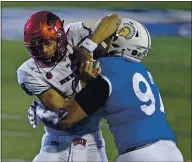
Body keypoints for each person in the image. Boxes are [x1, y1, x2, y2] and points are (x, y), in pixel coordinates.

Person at [29, 18, 184, 161]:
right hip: (172, 152)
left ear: (118, 42)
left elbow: (66, 119)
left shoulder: (105, 68)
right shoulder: (143, 71)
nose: (101, 41)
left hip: (139, 154)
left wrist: (40, 112)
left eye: (107, 38)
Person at [17, 10, 121, 162]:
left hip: (92, 140)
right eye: (36, 47)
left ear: (59, 37)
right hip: (56, 144)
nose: (43, 51)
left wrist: (87, 47)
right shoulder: (28, 72)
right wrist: (85, 82)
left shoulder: (74, 34)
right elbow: (65, 117)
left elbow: (114, 20)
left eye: (47, 43)